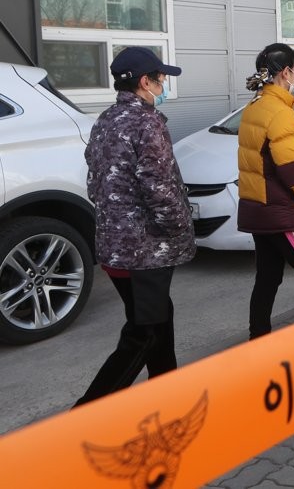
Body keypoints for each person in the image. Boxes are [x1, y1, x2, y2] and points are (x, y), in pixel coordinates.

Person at [75, 47, 194, 406]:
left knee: (159, 318)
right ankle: (85, 414)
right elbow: (159, 187)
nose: (163, 85)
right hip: (145, 250)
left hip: (115, 245)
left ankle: (166, 393)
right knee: (144, 333)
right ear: (145, 82)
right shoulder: (147, 122)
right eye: (160, 79)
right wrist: (179, 228)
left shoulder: (106, 119)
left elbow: (95, 178)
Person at [238, 44, 294, 340]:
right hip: (283, 212)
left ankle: (258, 338)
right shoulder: (281, 114)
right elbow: (293, 170)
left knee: (268, 276)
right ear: (286, 72)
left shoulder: (254, 107)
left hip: (259, 209)